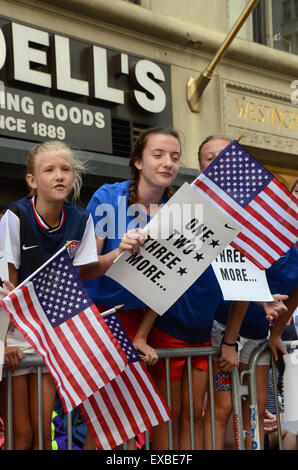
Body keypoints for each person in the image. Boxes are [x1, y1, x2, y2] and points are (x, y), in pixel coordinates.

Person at [83, 126, 181, 449]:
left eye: (175, 157)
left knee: (138, 425)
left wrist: (141, 334)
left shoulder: (178, 211)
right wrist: (118, 252)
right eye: (158, 155)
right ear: (138, 161)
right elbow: (85, 269)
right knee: (104, 428)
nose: (168, 162)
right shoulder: (107, 197)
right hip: (100, 320)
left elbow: (169, 281)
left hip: (143, 322)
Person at [200, 135, 297, 449]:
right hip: (225, 327)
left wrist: (275, 334)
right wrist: (229, 340)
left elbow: (295, 296)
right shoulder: (265, 228)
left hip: (258, 334)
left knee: (253, 407)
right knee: (222, 408)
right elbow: (244, 281)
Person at [0, 141, 99, 450]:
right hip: (14, 333)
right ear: (32, 180)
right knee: (22, 434)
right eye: (50, 170)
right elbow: (7, 284)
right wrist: (4, 342)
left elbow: (80, 280)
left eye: (66, 169)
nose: (60, 176)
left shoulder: (81, 219)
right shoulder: (14, 216)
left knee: (43, 432)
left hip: (50, 333)